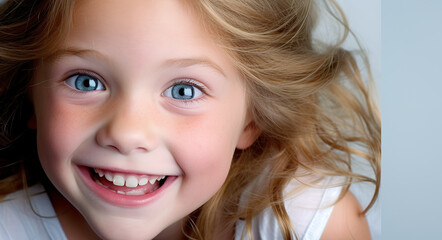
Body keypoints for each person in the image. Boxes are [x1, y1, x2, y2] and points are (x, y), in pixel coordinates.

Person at [0, 0, 380, 239]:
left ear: (251, 120)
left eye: (184, 91)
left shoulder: (305, 224)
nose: (127, 133)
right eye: (86, 81)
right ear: (32, 95)